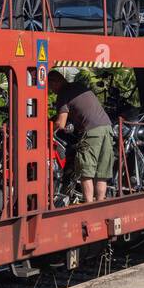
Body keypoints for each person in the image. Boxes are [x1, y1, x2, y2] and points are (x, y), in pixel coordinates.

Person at [48, 67, 113, 203]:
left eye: (50, 86)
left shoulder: (63, 93)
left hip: (91, 131)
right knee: (101, 173)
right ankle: (100, 203)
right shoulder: (78, 86)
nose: (51, 90)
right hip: (107, 127)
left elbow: (60, 123)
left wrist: (45, 129)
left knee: (85, 172)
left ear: (55, 82)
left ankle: (88, 204)